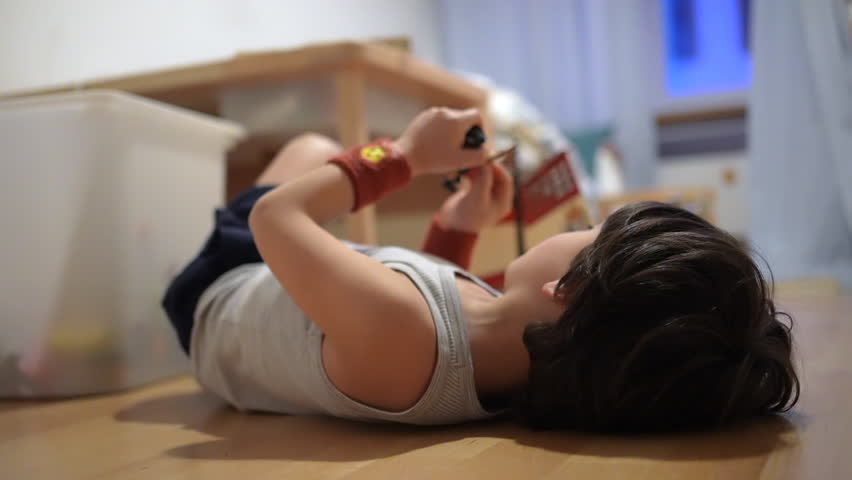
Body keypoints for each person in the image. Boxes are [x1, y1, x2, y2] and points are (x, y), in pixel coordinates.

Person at [163, 108, 799, 432]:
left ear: (566, 287)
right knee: (325, 171)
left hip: (220, 289)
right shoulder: (513, 365)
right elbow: (440, 306)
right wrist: (459, 227)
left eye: (582, 232)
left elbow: (274, 222)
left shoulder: (403, 334)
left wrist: (402, 155)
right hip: (286, 289)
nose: (573, 229)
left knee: (313, 151)